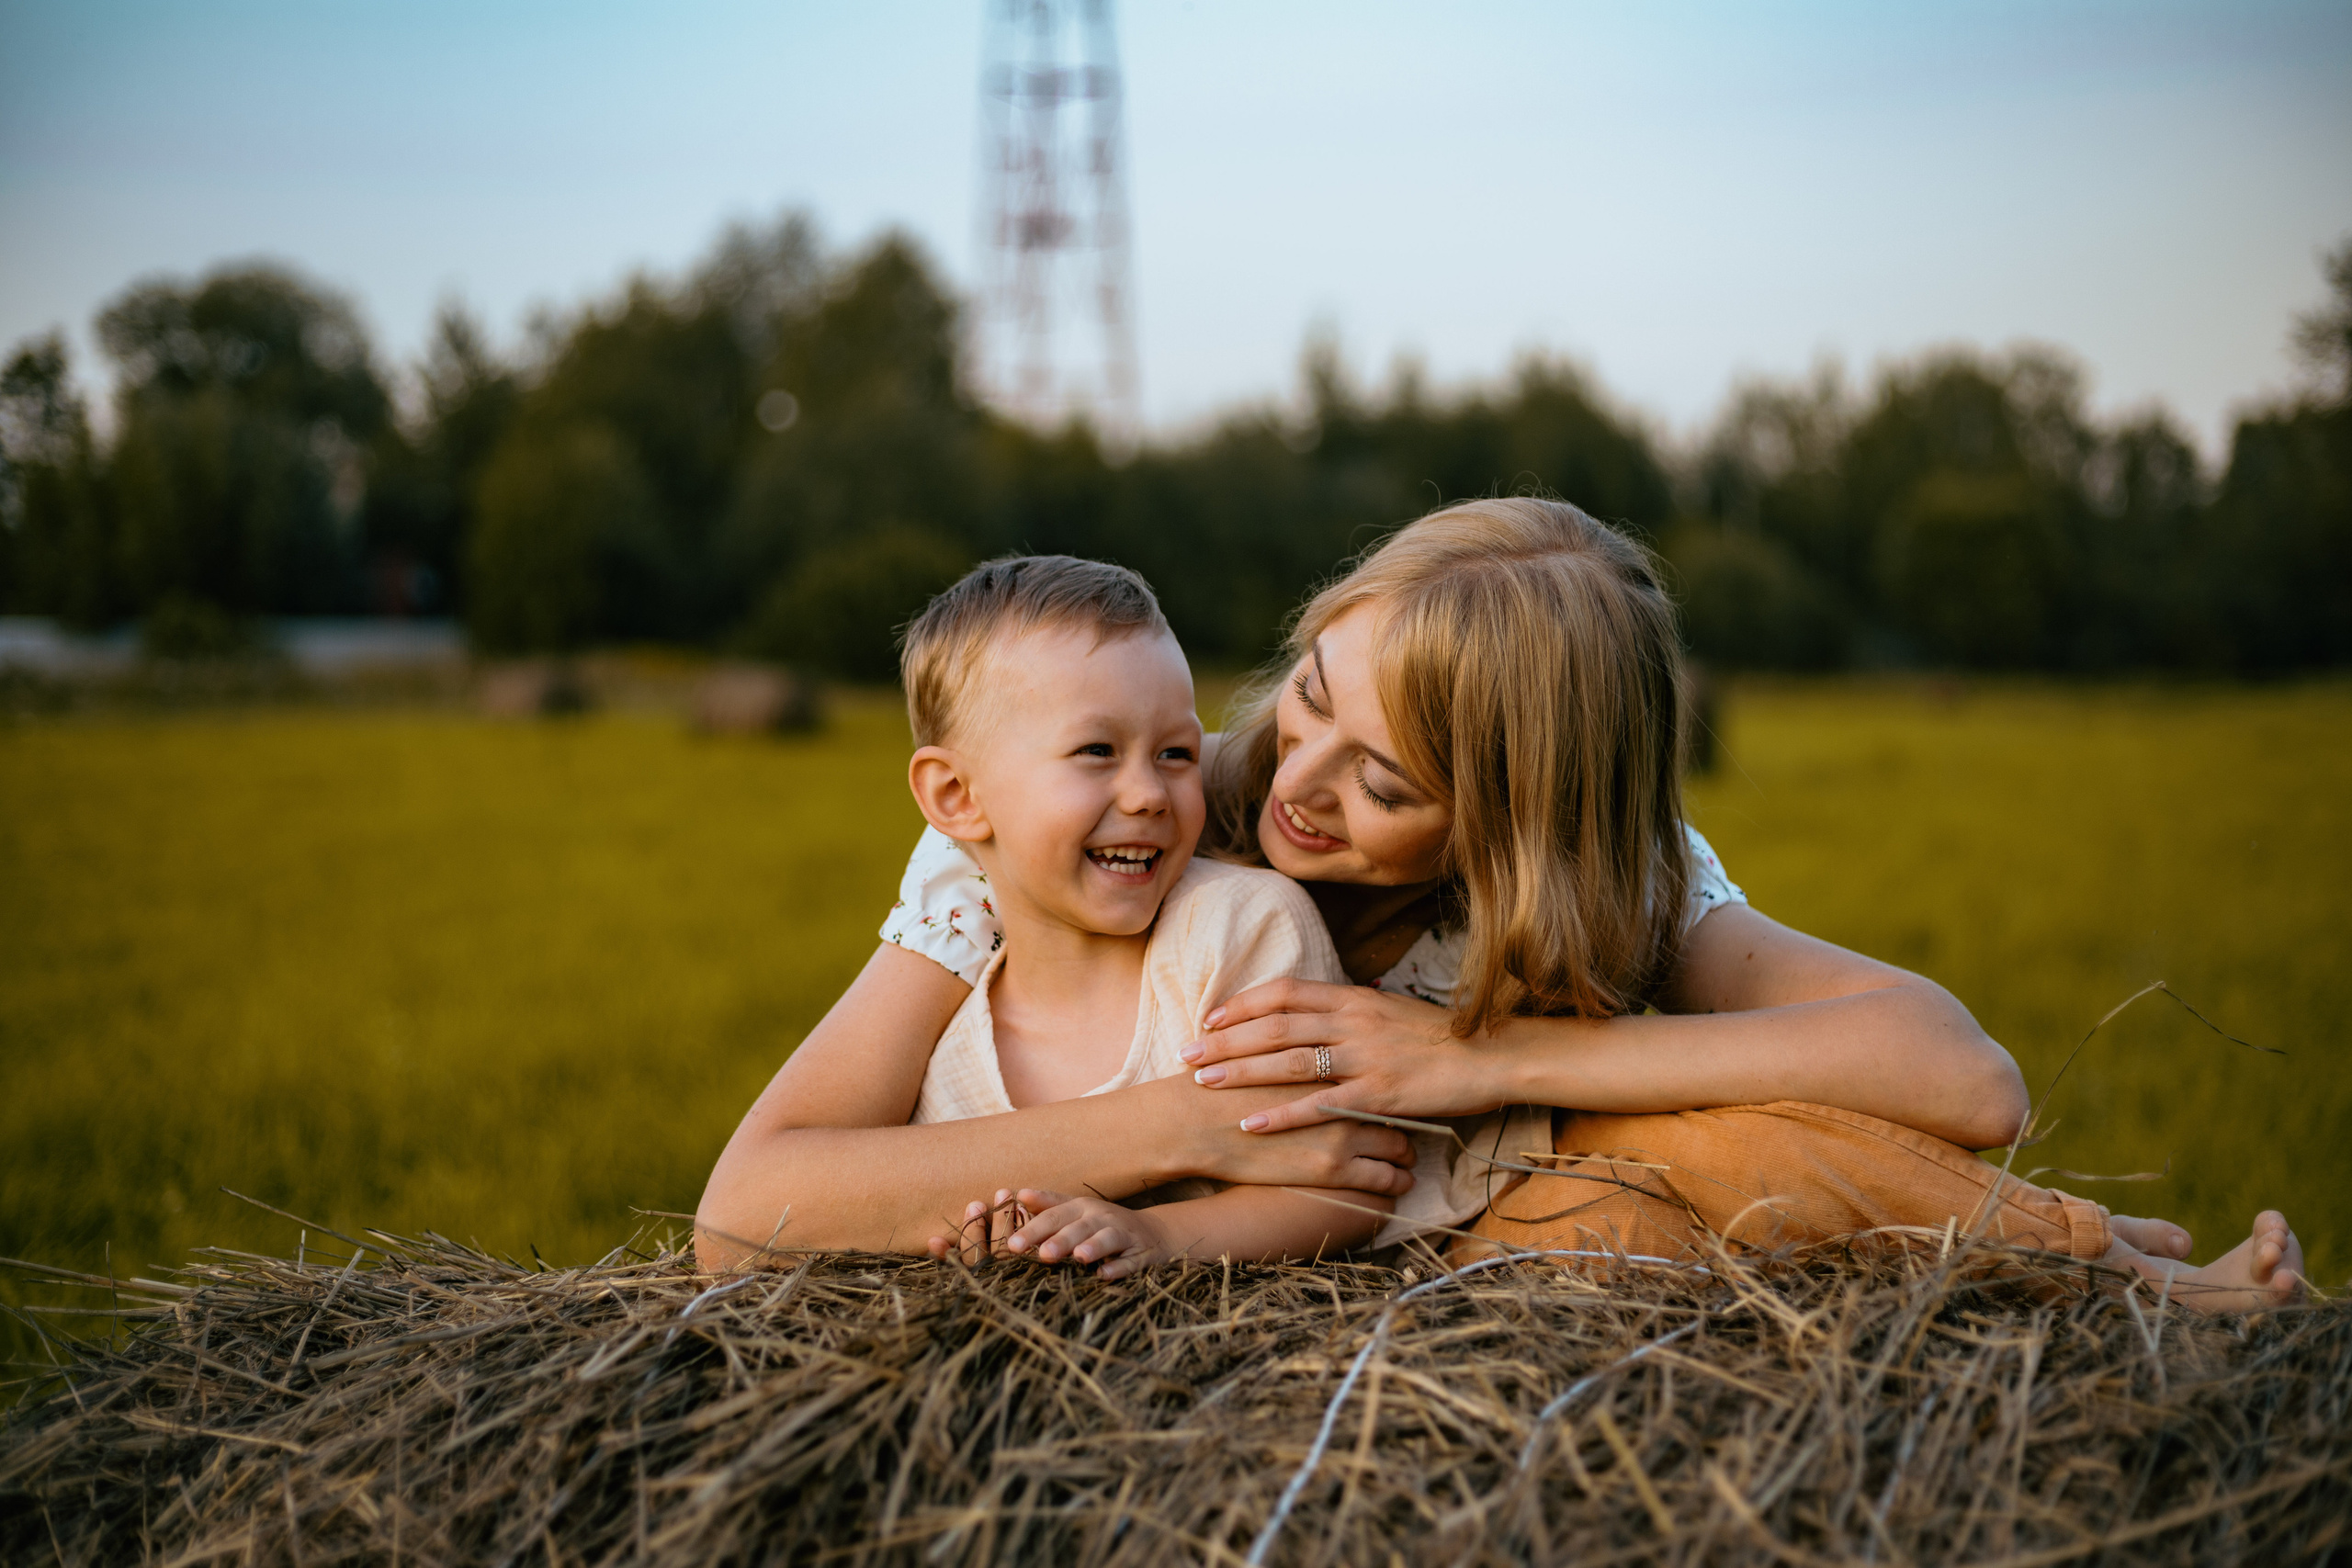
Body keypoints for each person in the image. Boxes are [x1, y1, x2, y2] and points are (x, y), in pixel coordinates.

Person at [699, 499, 2304, 1311]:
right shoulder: (1121, 817)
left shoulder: (1623, 876)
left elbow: (1969, 1081)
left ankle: (2100, 1282)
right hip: (1292, 1217)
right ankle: (2100, 1270)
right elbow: (745, 1208)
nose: (1295, 780)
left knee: (1720, 1166)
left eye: (1386, 781)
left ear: (1518, 831)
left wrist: (1478, 1059)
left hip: (1494, 1204)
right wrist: (1176, 1129)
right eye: (1308, 693)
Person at [702, 555, 1387, 1277]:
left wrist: (1158, 1235)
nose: (1149, 792)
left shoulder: (1238, 929)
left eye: (1178, 752)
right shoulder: (943, 1046)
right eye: (1096, 750)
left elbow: (1348, 1177)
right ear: (957, 797)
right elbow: (741, 1225)